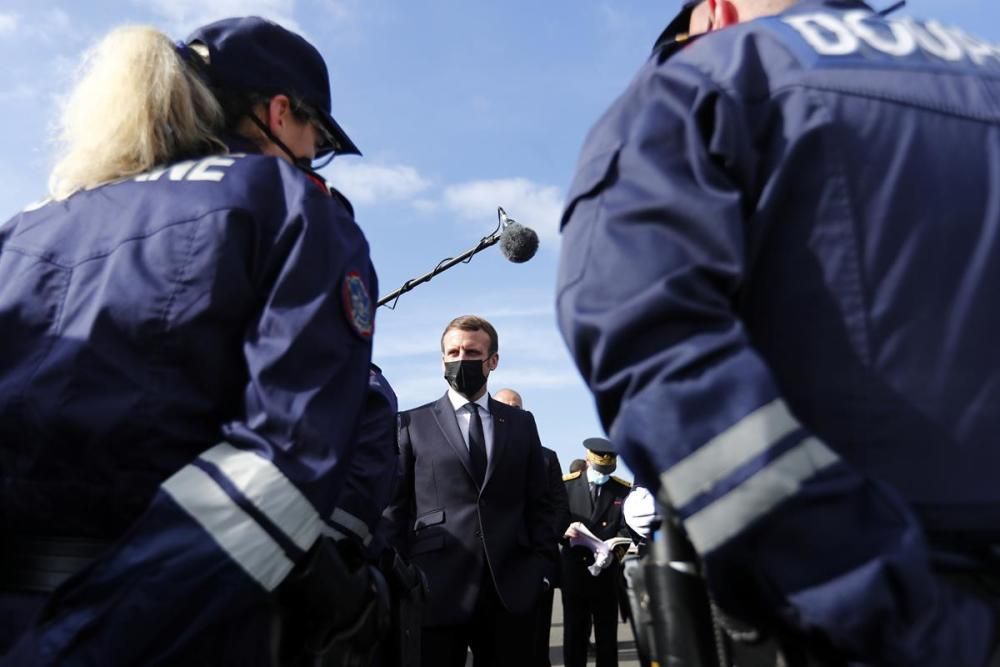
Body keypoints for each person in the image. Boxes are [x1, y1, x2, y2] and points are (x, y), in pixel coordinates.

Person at [556, 0, 1000, 665]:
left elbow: (650, 346)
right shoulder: (983, 73)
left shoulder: (704, 78)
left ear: (712, 13)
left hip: (849, 624)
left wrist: (884, 606)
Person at [0, 16, 380, 665]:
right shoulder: (288, 204)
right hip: (175, 629)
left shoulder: (22, 228)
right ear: (279, 112)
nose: (314, 153)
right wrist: (82, 640)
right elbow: (283, 461)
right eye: (317, 135)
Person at [383, 315, 553, 667]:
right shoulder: (411, 424)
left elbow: (543, 501)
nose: (461, 359)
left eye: (472, 352)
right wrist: (402, 577)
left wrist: (542, 569)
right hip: (434, 589)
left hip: (511, 589)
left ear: (493, 361)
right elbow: (394, 510)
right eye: (453, 351)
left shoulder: (521, 424)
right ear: (442, 359)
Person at [495, 387, 570, 667]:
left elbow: (558, 509)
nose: (513, 411)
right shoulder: (476, 451)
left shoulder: (546, 456)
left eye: (518, 407)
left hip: (534, 565)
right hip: (493, 564)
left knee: (536, 648)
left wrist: (541, 555)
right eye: (506, 406)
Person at [560, 438, 632, 667]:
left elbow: (627, 528)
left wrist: (614, 552)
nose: (603, 474)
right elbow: (554, 521)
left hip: (607, 572)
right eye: (600, 468)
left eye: (607, 470)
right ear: (588, 460)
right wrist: (564, 531)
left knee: (607, 633)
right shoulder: (567, 486)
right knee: (574, 632)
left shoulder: (622, 489)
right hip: (574, 569)